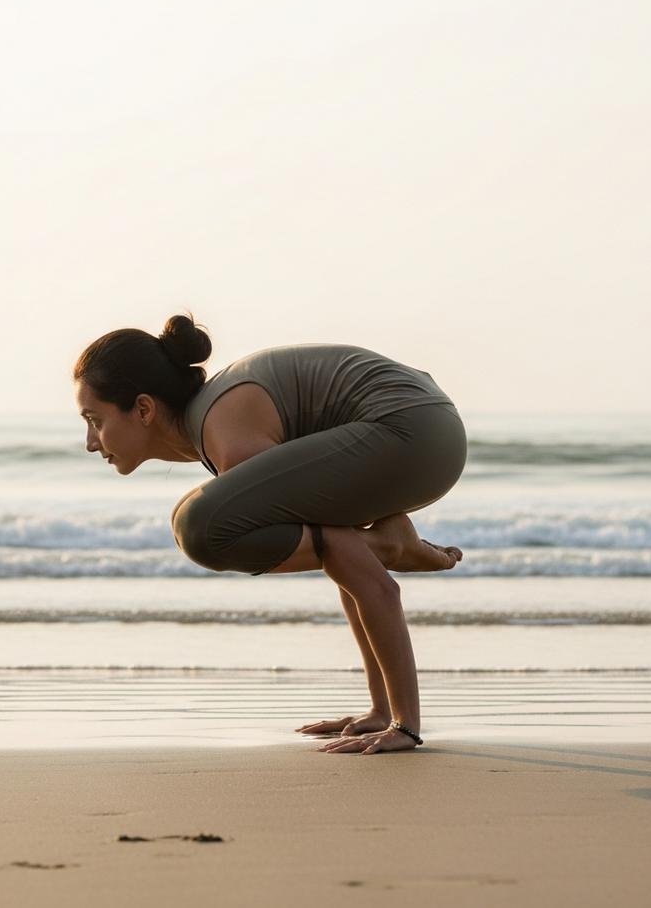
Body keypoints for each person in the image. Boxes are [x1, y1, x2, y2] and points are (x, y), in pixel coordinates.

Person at [73, 312, 467, 755]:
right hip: (424, 430)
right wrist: (381, 713)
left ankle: (389, 552)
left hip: (410, 430)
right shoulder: (216, 423)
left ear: (143, 409)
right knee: (300, 534)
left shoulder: (229, 438)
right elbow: (343, 558)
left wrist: (405, 727)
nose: (90, 441)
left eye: (95, 419)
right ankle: (382, 694)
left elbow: (373, 583)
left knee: (200, 524)